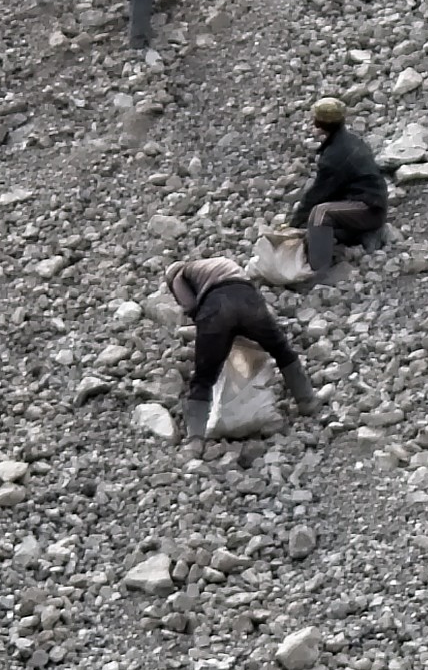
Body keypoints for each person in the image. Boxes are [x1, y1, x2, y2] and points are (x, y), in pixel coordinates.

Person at [165, 255, 312, 438]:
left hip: (218, 305)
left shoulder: (179, 275)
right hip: (249, 299)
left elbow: (190, 305)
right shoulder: (211, 264)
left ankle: (195, 440)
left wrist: (207, 335)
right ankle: (306, 401)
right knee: (281, 350)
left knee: (204, 378)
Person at [291, 97, 389, 274]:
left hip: (369, 210)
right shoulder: (350, 140)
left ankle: (319, 272)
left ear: (319, 123)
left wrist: (294, 223)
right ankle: (360, 238)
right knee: (320, 222)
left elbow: (318, 194)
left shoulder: (335, 156)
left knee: (320, 213)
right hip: (373, 204)